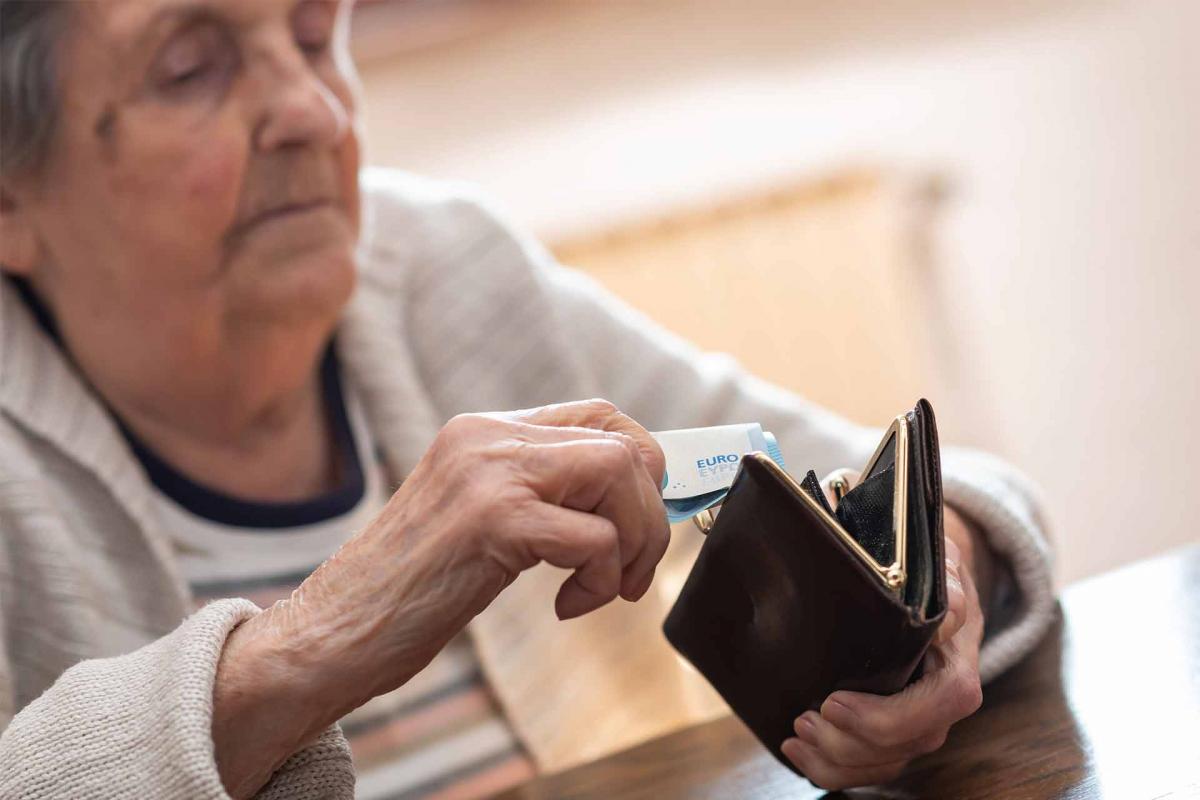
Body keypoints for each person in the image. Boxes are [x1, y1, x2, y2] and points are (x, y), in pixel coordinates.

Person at [0, 1, 1055, 797]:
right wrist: (311, 646)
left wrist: (944, 581)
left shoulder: (441, 265)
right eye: (190, 70)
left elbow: (935, 494)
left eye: (319, 36)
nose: (314, 113)